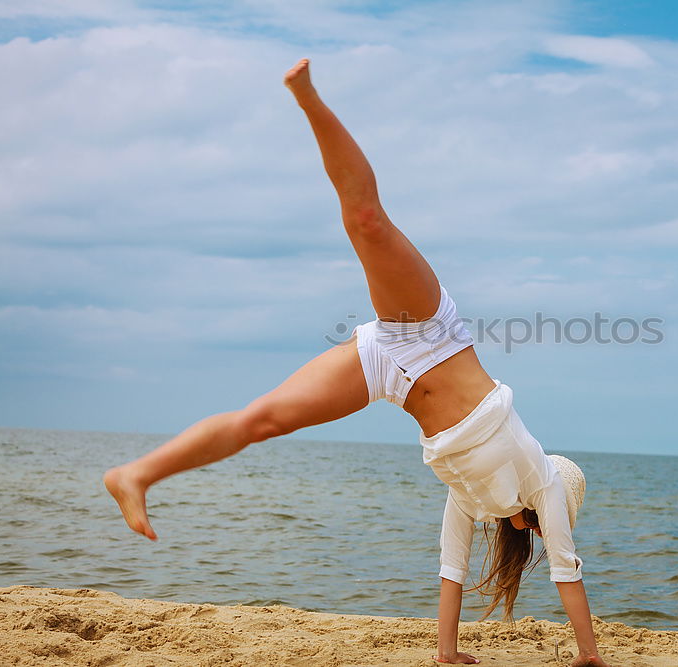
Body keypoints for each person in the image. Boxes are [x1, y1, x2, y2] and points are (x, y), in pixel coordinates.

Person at [103, 58, 610, 667]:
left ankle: (135, 475)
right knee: (366, 222)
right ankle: (309, 99)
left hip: (384, 373)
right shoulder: (543, 479)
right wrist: (589, 656)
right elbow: (567, 570)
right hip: (429, 335)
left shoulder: (480, 499)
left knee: (262, 420)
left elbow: (451, 567)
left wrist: (446, 653)